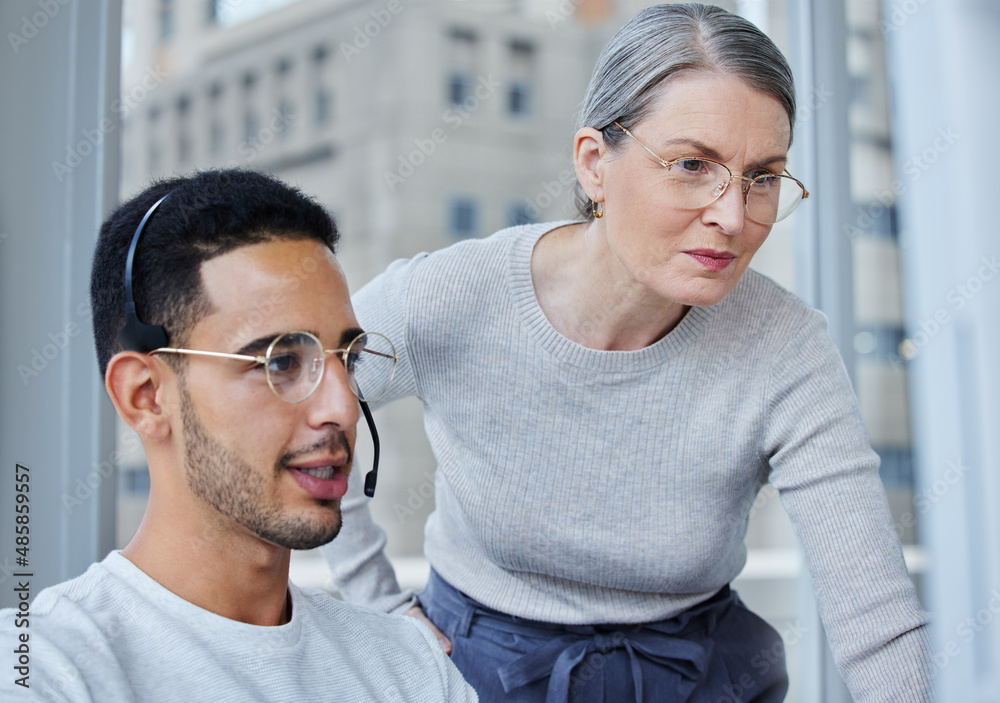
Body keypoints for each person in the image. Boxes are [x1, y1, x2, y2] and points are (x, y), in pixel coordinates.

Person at [319, 4, 931, 702]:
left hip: (700, 674)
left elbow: (876, 620)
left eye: (762, 176)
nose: (733, 217)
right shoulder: (451, 296)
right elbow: (294, 400)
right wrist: (376, 606)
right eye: (692, 165)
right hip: (474, 670)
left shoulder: (785, 348)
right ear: (593, 164)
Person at [0, 170, 477, 702]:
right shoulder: (41, 669)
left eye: (350, 360)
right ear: (146, 396)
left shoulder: (410, 668)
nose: (342, 407)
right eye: (281, 361)